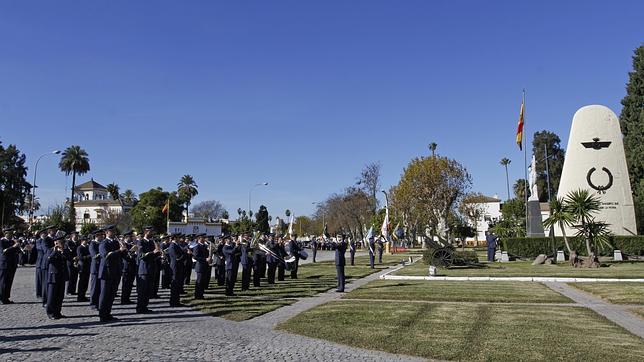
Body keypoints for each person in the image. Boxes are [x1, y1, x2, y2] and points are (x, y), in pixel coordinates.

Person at [98, 225, 126, 322]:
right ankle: (102, 314)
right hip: (107, 271)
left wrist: (124, 249)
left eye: (114, 231)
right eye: (111, 231)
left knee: (112, 294)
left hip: (116, 271)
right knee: (105, 294)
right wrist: (119, 251)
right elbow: (106, 255)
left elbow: (120, 255)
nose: (114, 233)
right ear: (106, 232)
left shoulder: (115, 242)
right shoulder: (103, 243)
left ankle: (108, 313)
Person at [136, 226, 159, 314]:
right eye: (150, 231)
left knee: (148, 290)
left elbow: (154, 256)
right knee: (142, 290)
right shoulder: (141, 242)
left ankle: (145, 306)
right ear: (146, 232)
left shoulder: (152, 242)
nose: (152, 233)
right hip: (144, 269)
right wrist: (153, 252)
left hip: (151, 268)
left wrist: (158, 253)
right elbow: (141, 256)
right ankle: (140, 307)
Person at [46, 234, 69, 319]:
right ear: (55, 242)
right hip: (53, 276)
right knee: (52, 296)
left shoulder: (64, 250)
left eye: (63, 242)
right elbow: (48, 260)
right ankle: (50, 312)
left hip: (61, 275)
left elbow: (68, 259)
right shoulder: (50, 250)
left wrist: (63, 251)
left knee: (60, 296)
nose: (62, 244)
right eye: (60, 242)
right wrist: (55, 251)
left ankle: (58, 312)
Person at [0, 227, 20, 304]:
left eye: (12, 233)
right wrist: (13, 246)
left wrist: (18, 246)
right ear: (6, 234)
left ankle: (6, 297)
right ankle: (1, 297)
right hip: (4, 264)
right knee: (3, 281)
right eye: (10, 233)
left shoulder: (12, 241)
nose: (12, 235)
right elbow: (3, 251)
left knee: (9, 281)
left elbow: (16, 251)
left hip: (12, 264)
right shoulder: (2, 241)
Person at [167, 234, 186, 307]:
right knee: (174, 285)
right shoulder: (172, 246)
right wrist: (184, 253)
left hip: (178, 267)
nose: (180, 239)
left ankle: (176, 301)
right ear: (175, 238)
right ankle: (173, 302)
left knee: (177, 285)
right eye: (178, 237)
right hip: (175, 267)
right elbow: (177, 257)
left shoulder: (176, 245)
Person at [120, 231, 136, 305]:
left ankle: (127, 298)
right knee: (125, 284)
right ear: (127, 237)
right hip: (126, 267)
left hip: (132, 266)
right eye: (130, 237)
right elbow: (123, 256)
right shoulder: (123, 245)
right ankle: (124, 299)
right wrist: (130, 252)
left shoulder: (131, 245)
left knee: (130, 284)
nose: (132, 238)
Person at [88, 230, 103, 309]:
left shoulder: (101, 243)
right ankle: (93, 303)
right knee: (94, 286)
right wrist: (104, 253)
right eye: (100, 235)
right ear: (96, 236)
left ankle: (98, 302)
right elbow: (94, 255)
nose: (102, 237)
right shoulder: (92, 244)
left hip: (101, 267)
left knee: (100, 287)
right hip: (95, 268)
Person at [192, 234, 209, 299]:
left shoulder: (205, 246)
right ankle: (197, 295)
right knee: (199, 281)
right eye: (203, 238)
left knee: (203, 281)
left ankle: (201, 294)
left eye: (204, 237)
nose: (204, 239)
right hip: (200, 266)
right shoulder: (197, 246)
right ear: (199, 238)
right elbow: (195, 256)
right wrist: (205, 259)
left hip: (204, 265)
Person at [76, 235, 91, 302]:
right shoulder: (79, 248)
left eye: (86, 240)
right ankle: (80, 296)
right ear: (82, 241)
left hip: (87, 266)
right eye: (84, 240)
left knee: (86, 282)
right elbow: (80, 257)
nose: (86, 241)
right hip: (82, 266)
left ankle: (83, 295)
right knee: (82, 282)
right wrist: (89, 256)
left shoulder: (88, 247)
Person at [64, 231, 79, 296]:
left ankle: (73, 290)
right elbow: (67, 252)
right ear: (72, 236)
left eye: (77, 236)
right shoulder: (68, 243)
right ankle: (68, 290)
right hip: (70, 261)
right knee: (70, 276)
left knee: (75, 276)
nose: (76, 237)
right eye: (75, 236)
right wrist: (72, 258)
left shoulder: (78, 243)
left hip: (76, 261)